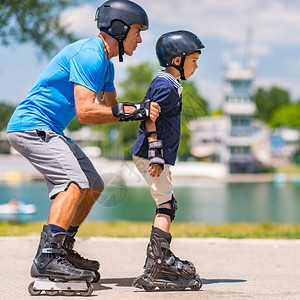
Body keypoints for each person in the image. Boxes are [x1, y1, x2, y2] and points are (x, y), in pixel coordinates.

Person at [7, 0, 160, 289]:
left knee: (92, 183)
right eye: (137, 31)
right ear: (119, 28)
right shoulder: (89, 55)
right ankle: (48, 255)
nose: (140, 39)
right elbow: (86, 112)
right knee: (72, 182)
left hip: (49, 129)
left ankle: (61, 248)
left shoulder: (106, 67)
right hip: (31, 127)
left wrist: (142, 113)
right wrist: (131, 110)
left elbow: (112, 110)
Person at [131, 30, 205, 291]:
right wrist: (156, 153)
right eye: (193, 61)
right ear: (178, 61)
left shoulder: (169, 83)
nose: (196, 66)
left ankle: (157, 261)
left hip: (156, 155)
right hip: (153, 156)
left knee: (166, 203)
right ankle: (159, 263)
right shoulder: (165, 85)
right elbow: (148, 115)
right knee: (166, 205)